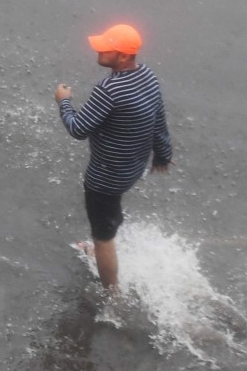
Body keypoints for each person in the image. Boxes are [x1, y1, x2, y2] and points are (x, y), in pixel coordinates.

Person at [54, 23, 173, 291]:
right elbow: (159, 121)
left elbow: (78, 128)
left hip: (105, 177)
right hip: (132, 168)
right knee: (110, 211)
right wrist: (163, 156)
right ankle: (110, 228)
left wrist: (64, 101)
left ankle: (112, 294)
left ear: (123, 56)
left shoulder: (109, 89)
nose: (99, 51)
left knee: (102, 236)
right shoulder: (148, 76)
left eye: (106, 49)